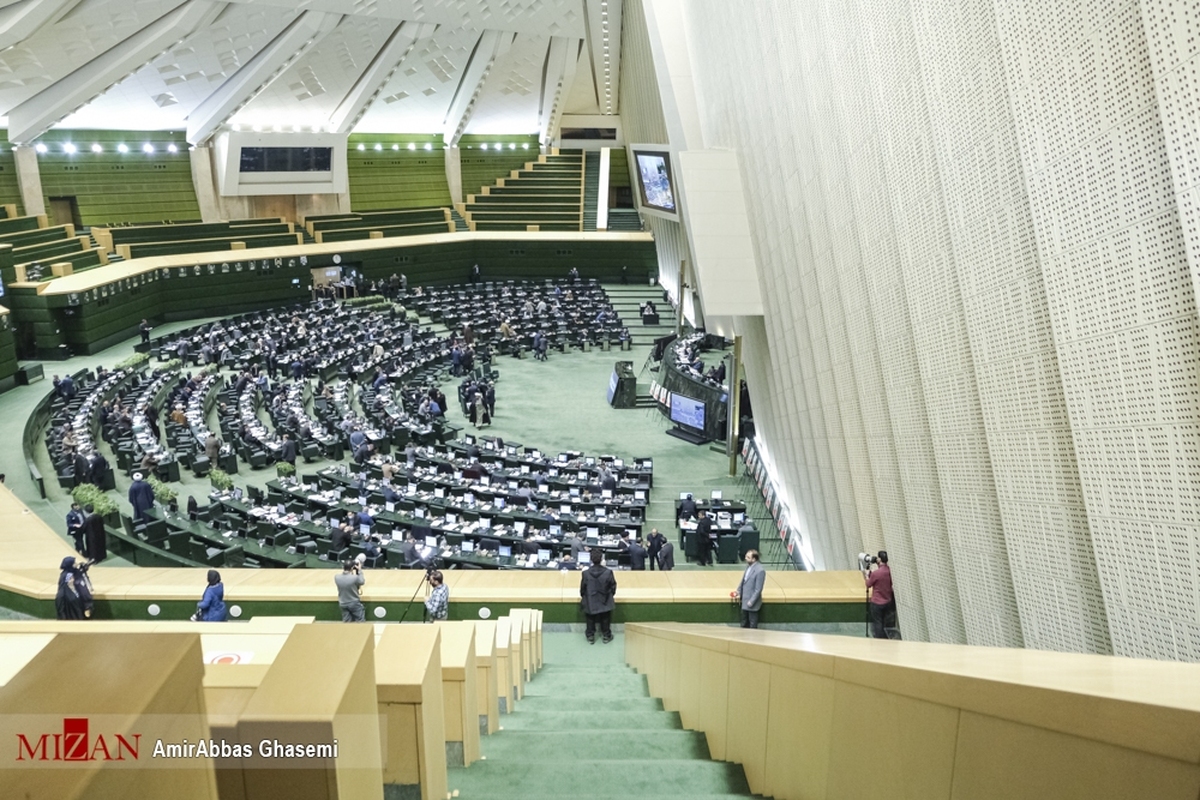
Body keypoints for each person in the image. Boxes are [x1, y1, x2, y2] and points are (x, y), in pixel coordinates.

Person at [580, 550, 617, 644]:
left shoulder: (586, 573)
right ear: (601, 559)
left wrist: (585, 596)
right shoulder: (608, 572)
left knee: (590, 618)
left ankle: (590, 636)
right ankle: (606, 636)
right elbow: (613, 586)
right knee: (605, 618)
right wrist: (610, 595)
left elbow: (582, 588)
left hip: (590, 599)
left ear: (591, 559)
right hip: (605, 598)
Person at [863, 550, 894, 639]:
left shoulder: (876, 573)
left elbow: (868, 584)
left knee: (878, 623)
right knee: (885, 622)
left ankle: (879, 641)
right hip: (888, 601)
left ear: (879, 559)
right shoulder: (889, 571)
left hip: (877, 602)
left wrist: (866, 575)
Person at [733, 550, 766, 628]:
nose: (745, 558)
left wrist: (751, 601)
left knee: (752, 624)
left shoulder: (760, 571)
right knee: (744, 622)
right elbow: (743, 581)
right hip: (744, 600)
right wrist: (738, 591)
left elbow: (758, 589)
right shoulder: (748, 567)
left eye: (748, 557)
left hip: (752, 603)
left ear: (754, 559)